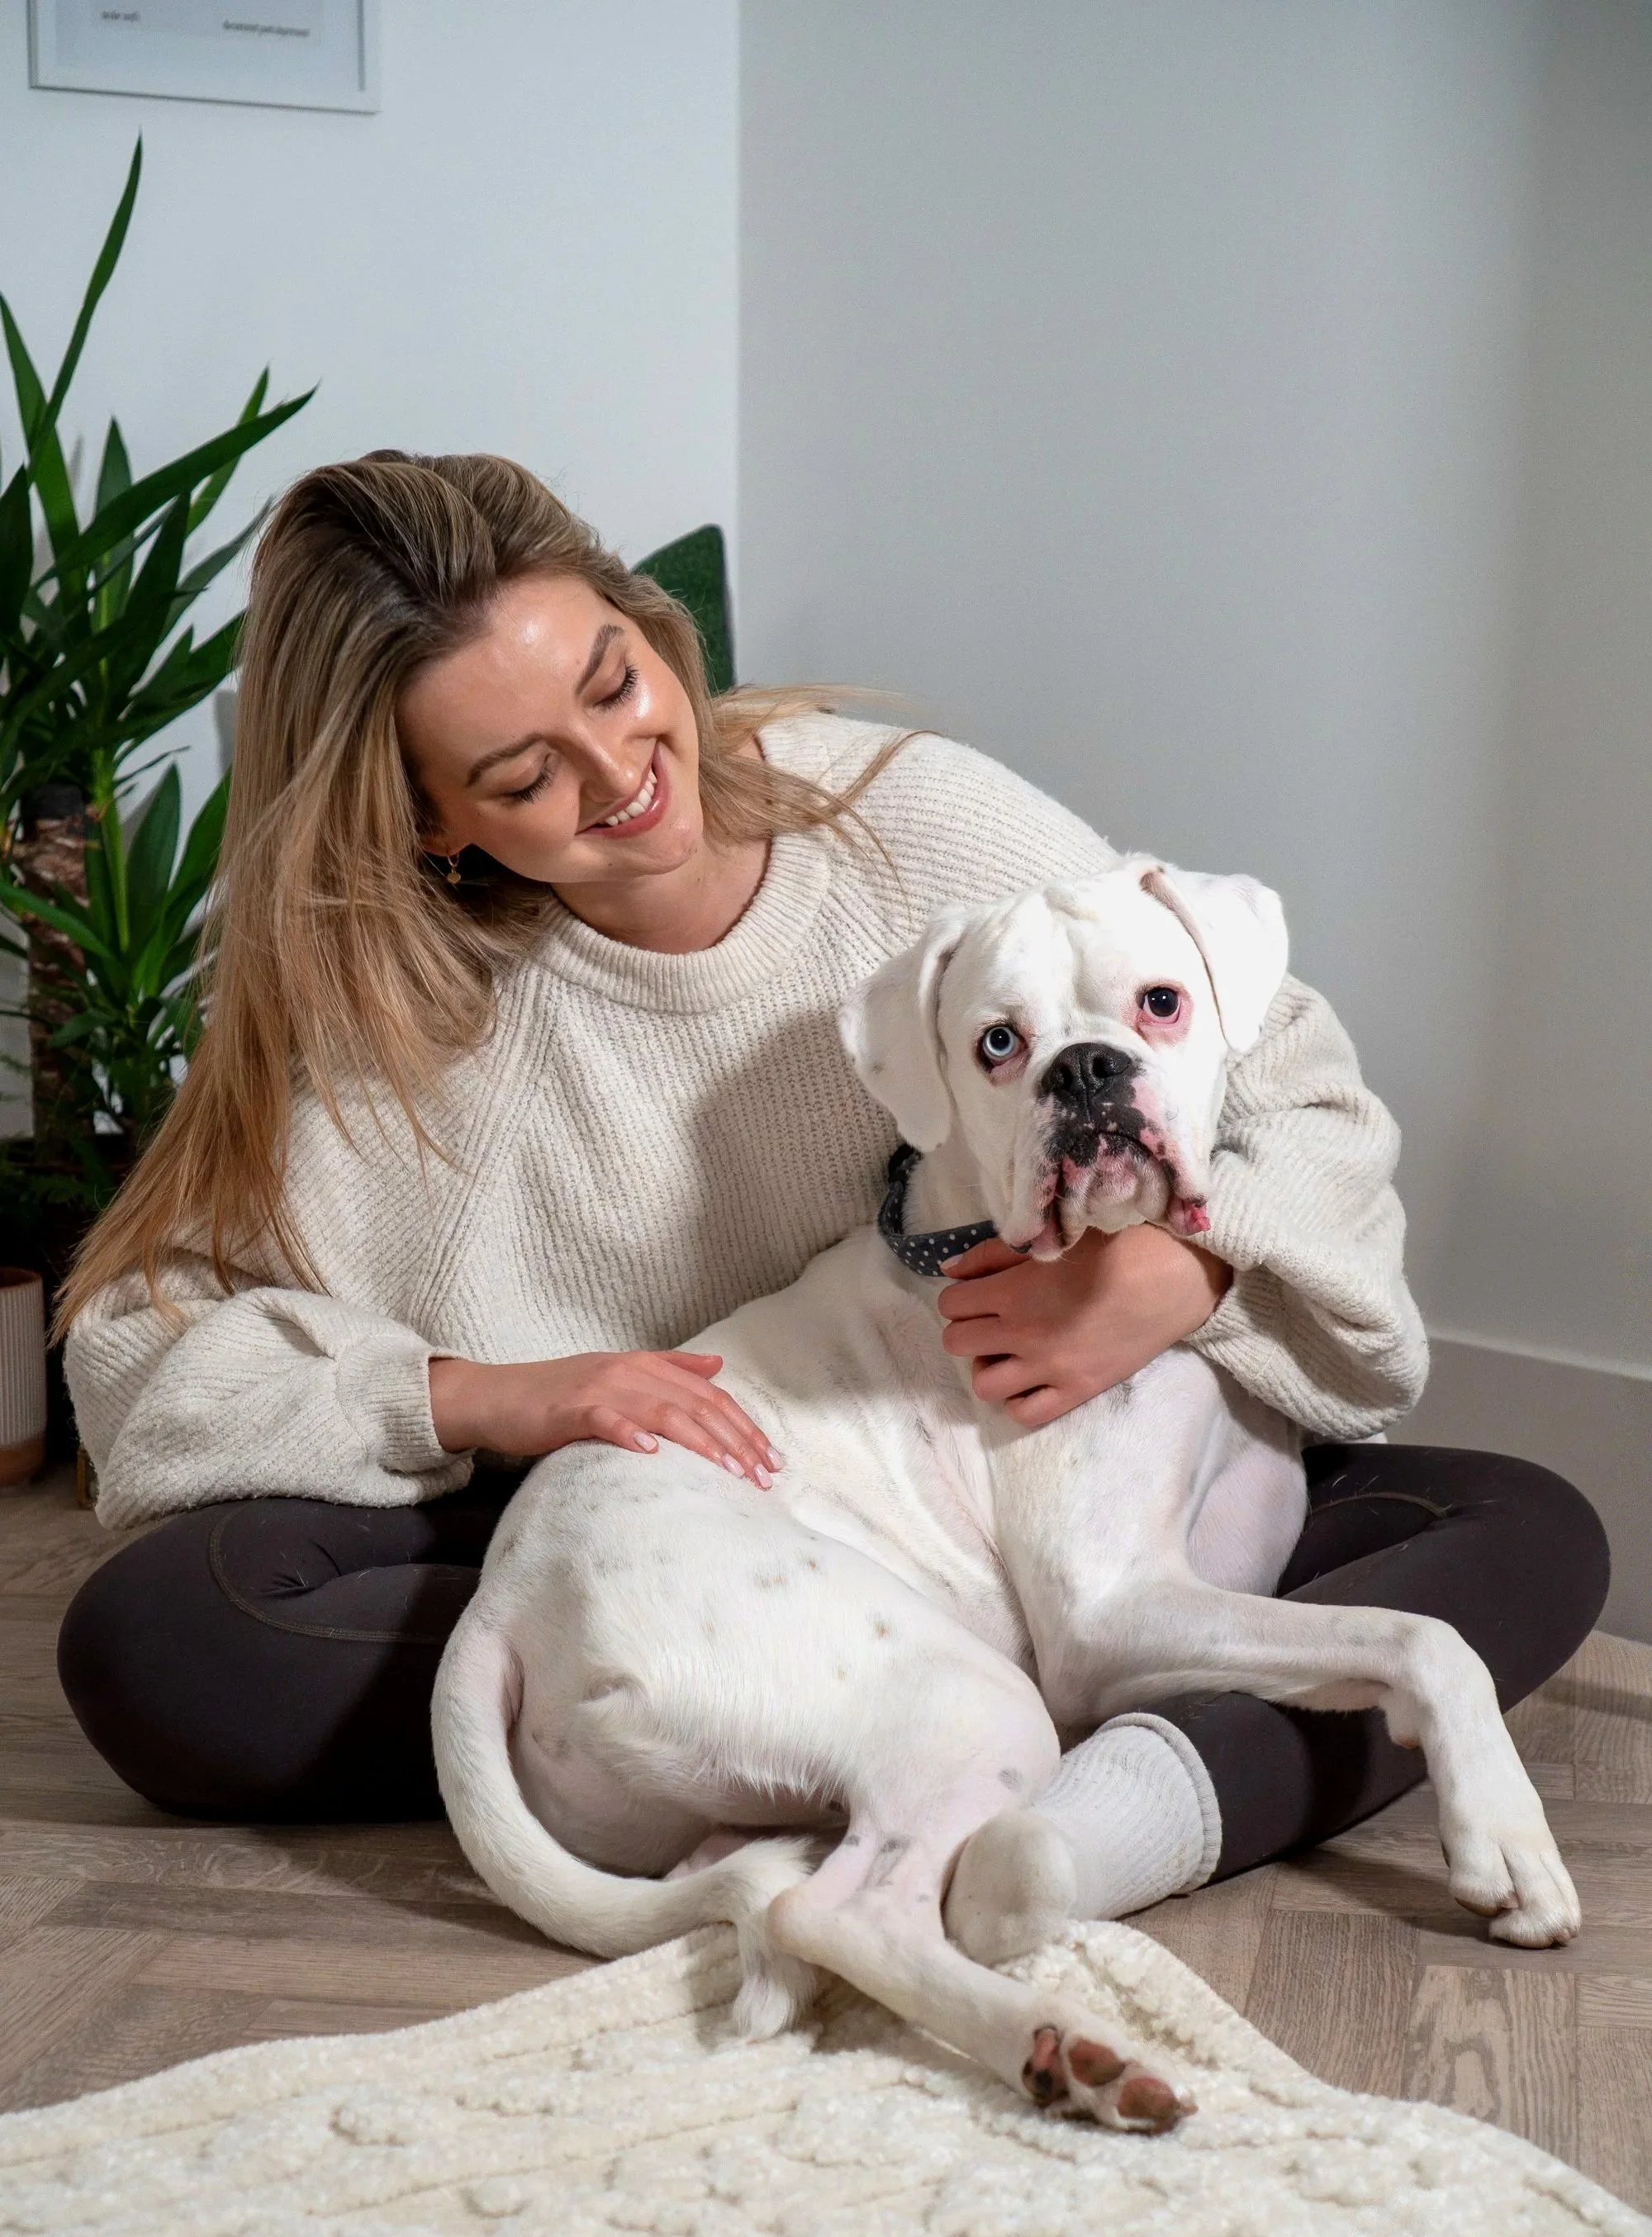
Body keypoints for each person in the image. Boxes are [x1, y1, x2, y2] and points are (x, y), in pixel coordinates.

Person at [55, 452, 1607, 1927]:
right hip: (663, 1561)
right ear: (426, 819)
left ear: (652, 629)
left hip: (1051, 1483)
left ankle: (1074, 1818)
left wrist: (1173, 1281)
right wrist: (496, 1398)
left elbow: (1297, 1080)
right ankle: (973, 1754)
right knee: (166, 1641)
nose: (621, 775)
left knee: (1522, 1528)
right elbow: (138, 1354)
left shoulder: (907, 819)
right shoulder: (397, 1020)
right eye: (524, 775)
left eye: (617, 682)